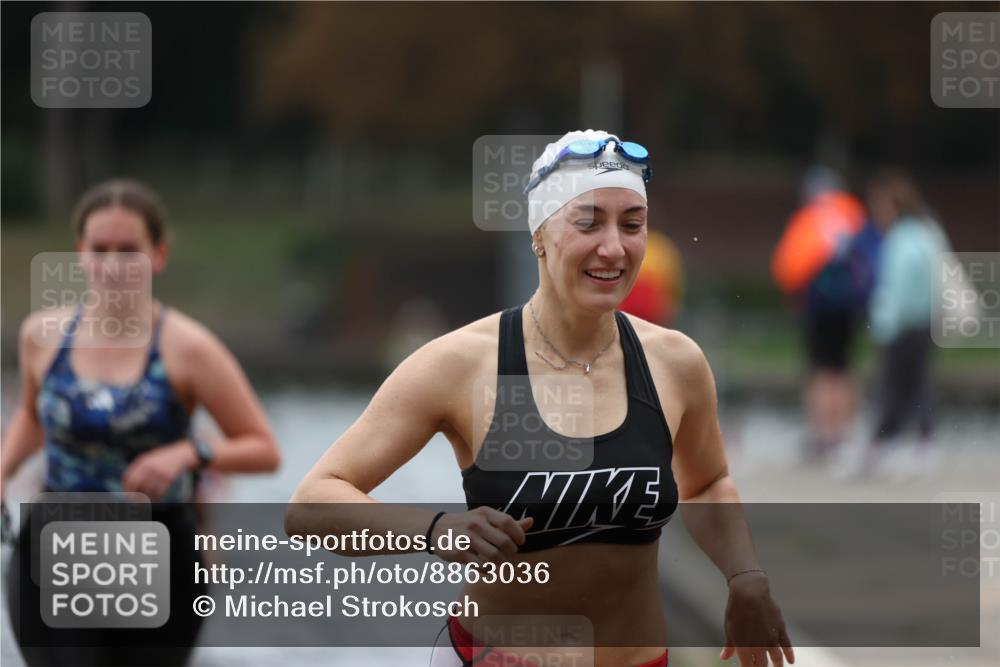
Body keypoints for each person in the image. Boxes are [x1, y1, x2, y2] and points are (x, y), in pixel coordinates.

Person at [288, 131, 794, 667]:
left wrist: (745, 578)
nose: (613, 247)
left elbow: (707, 482)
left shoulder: (676, 363)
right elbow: (312, 504)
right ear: (540, 235)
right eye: (588, 221)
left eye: (632, 224)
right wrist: (437, 531)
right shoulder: (461, 364)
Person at [0, 178, 282, 666]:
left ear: (158, 255)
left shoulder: (188, 348)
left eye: (128, 250)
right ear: (80, 254)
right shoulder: (41, 336)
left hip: (158, 552)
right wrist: (2, 472)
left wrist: (189, 453)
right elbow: (32, 415)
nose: (113, 265)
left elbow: (262, 448)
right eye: (100, 249)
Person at [831, 169, 947, 481]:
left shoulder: (902, 239)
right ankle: (912, 444)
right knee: (916, 384)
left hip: (903, 325)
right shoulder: (928, 230)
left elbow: (898, 288)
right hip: (925, 322)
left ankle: (887, 445)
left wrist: (883, 325)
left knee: (892, 386)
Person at [771, 166, 870, 461]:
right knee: (844, 369)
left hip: (818, 309)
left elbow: (787, 268)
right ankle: (845, 433)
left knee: (820, 371)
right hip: (850, 308)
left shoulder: (809, 219)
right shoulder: (854, 215)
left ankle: (823, 435)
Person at [618, 228, 685, 327]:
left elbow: (673, 288)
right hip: (628, 310)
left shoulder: (661, 247)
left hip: (651, 311)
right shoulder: (662, 246)